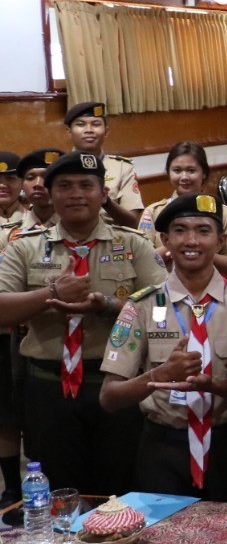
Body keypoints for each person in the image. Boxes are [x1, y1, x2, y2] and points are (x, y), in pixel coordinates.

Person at [0, 152, 163, 494]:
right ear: (47, 194)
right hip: (47, 387)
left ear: (104, 194)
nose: (76, 193)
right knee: (58, 488)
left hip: (116, 385)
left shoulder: (132, 244)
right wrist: (51, 292)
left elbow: (161, 313)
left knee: (119, 486)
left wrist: (108, 305)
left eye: (86, 185)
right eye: (65, 186)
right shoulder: (24, 248)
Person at [100, 194, 227, 502]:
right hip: (162, 447)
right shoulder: (141, 306)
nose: (192, 241)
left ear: (221, 240)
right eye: (180, 230)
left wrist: (215, 385)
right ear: (164, 239)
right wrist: (160, 374)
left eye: (203, 230)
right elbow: (109, 398)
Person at [139, 141, 227, 275]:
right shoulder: (153, 212)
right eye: (177, 170)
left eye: (191, 170)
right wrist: (174, 249)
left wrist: (202, 253)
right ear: (168, 173)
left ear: (204, 173)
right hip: (164, 288)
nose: (184, 177)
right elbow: (142, 260)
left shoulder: (223, 213)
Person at [63, 101, 143, 228]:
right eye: (80, 124)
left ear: (106, 131)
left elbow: (132, 222)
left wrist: (106, 202)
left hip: (112, 241)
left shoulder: (122, 168)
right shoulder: (57, 169)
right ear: (69, 131)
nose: (89, 130)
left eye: (95, 124)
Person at [0, 153, 21, 499]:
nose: (3, 184)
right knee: (2, 414)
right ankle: (12, 490)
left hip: (24, 334)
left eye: (10, 178)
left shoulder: (37, 223)